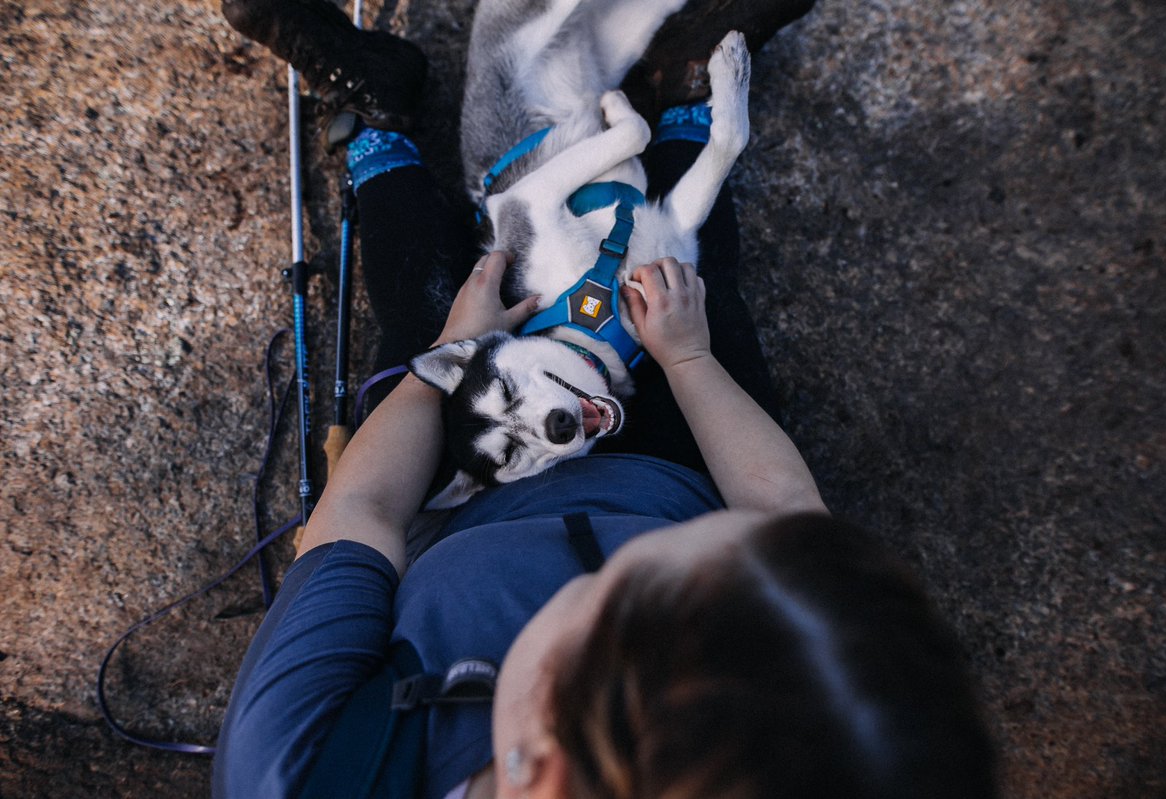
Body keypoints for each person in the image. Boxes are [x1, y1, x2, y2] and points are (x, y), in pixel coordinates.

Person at [213, 2, 997, 798]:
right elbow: (779, 502)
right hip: (679, 461)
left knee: (424, 295)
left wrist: (443, 359)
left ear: (540, 762)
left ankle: (378, 119)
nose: (623, 553)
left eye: (649, 586)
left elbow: (362, 511)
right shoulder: (783, 684)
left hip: (474, 471)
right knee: (695, 288)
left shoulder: (298, 769)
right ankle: (689, 89)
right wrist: (688, 361)